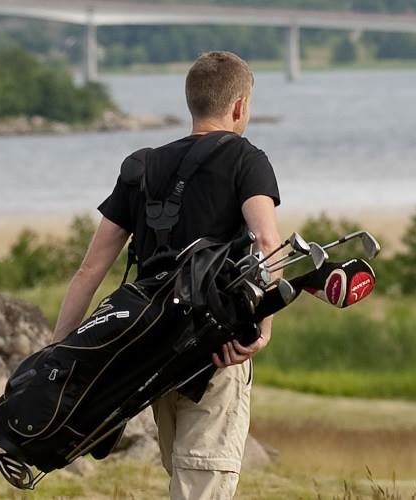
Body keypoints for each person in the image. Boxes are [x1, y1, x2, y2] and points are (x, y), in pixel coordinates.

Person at [50, 51, 280, 500]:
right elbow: (267, 243)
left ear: (192, 101)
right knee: (203, 480)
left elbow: (90, 270)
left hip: (150, 353)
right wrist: (262, 328)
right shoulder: (246, 159)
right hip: (216, 353)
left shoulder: (143, 166)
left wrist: (58, 354)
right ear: (239, 106)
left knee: (182, 476)